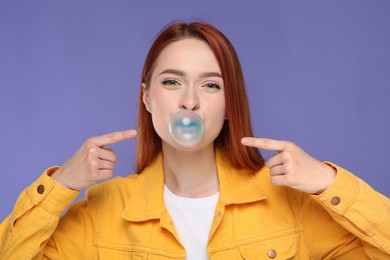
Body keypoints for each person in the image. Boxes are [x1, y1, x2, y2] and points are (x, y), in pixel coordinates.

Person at [0, 21, 389, 260]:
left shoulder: (289, 204)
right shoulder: (105, 211)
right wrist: (60, 186)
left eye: (210, 84)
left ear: (229, 104)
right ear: (148, 98)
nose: (189, 100)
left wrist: (328, 182)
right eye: (171, 82)